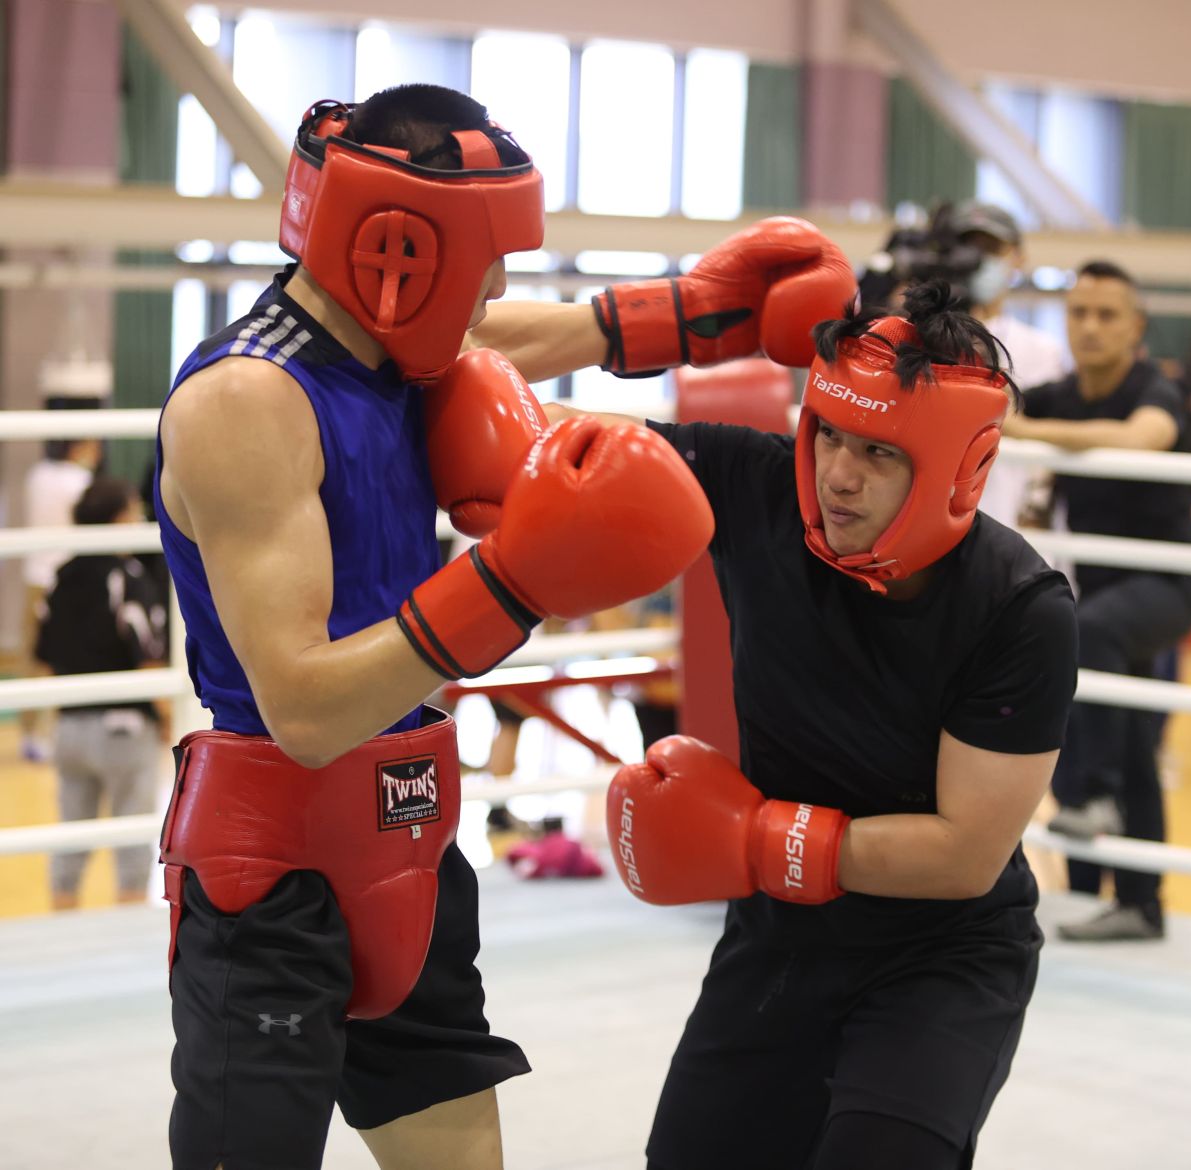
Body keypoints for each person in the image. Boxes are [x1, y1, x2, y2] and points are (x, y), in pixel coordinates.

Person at [154, 82, 853, 1170]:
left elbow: (504, 335)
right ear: (402, 250)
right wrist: (516, 580)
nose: (499, 287)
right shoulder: (248, 403)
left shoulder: (402, 362)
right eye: (486, 258)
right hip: (271, 871)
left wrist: (696, 312)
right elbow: (304, 709)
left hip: (411, 840)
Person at [596, 282, 1078, 1170]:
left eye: (880, 453)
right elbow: (529, 440)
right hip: (781, 936)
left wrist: (753, 840)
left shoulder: (1019, 608)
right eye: (830, 437)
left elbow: (963, 853)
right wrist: (649, 320)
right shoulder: (754, 486)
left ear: (955, 467)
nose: (838, 474)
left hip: (940, 954)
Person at [1003, 260, 1191, 942]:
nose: (1089, 326)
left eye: (1107, 314)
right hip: (1109, 592)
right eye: (1079, 312)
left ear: (1137, 328)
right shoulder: (1061, 394)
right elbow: (997, 409)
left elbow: (1147, 436)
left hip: (1170, 582)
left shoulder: (1153, 388)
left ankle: (1090, 796)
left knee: (1083, 634)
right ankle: (1139, 905)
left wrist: (1033, 434)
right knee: (1136, 735)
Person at [34, 475, 167, 909]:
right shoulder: (126, 577)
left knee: (72, 839)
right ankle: (126, 954)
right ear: (119, 517)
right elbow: (148, 652)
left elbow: (44, 654)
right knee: (131, 845)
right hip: (124, 728)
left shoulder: (62, 576)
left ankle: (61, 933)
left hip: (70, 725)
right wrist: (165, 715)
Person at [948, 200, 1072, 530]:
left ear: (1017, 257)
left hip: (1011, 521)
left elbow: (1048, 448)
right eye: (968, 248)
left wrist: (1037, 505)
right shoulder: (926, 336)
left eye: (991, 249)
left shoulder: (1043, 349)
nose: (978, 259)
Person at [20, 430, 104, 761]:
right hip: (66, 579)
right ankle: (48, 734)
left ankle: (33, 733)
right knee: (61, 658)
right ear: (80, 446)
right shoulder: (80, 482)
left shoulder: (38, 474)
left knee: (33, 656)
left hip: (34, 574)